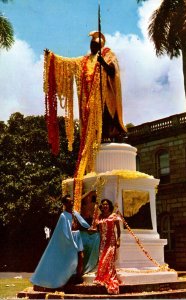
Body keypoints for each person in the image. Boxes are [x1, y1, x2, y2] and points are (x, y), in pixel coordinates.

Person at [43, 31, 127, 211]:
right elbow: (68, 65)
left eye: (95, 44)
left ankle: (111, 134)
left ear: (101, 45)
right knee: (94, 125)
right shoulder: (84, 61)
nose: (92, 46)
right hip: (89, 104)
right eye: (91, 44)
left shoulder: (108, 55)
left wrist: (102, 63)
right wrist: (53, 58)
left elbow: (113, 71)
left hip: (105, 97)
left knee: (107, 119)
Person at [30, 194, 99, 289]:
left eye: (71, 201)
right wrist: (72, 244)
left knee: (81, 257)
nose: (71, 203)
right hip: (70, 240)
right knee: (73, 259)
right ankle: (68, 277)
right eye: (69, 202)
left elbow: (83, 224)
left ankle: (78, 277)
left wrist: (92, 231)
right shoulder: (63, 216)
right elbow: (65, 232)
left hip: (77, 236)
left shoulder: (75, 213)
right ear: (65, 204)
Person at [93, 199, 122, 295]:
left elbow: (118, 229)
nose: (105, 206)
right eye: (103, 204)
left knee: (109, 259)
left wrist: (118, 240)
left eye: (107, 204)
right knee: (102, 259)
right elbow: (95, 228)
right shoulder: (100, 217)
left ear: (109, 206)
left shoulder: (114, 216)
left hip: (111, 241)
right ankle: (102, 277)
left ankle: (109, 278)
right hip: (102, 242)